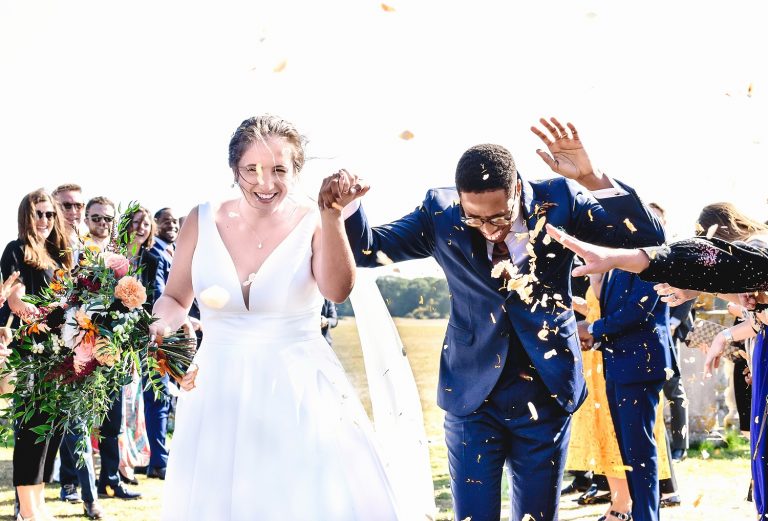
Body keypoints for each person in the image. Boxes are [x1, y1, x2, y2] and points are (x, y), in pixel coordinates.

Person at [325, 117, 666, 521]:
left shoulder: (560, 200)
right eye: (475, 219)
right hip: (472, 397)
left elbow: (647, 235)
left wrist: (591, 177)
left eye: (499, 218)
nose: (488, 230)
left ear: (519, 190)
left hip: (548, 390)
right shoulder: (439, 211)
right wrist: (348, 207)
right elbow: (369, 250)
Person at [152, 115, 418, 520]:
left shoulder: (313, 220)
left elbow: (337, 290)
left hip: (298, 388)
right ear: (233, 170)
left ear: (297, 171)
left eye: (279, 169)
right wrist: (163, 329)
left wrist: (332, 217)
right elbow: (174, 297)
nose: (266, 183)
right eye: (251, 170)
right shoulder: (200, 220)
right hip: (217, 389)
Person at [545, 224, 768, 517]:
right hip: (617, 361)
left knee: (641, 447)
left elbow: (699, 262)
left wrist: (616, 259)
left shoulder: (755, 259)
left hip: (641, 363)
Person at [0, 188, 74, 521]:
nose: (44, 220)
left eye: (49, 214)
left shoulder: (61, 254)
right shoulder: (16, 250)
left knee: (53, 430)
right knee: (32, 430)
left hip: (62, 354)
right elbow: (16, 298)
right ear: (26, 217)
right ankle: (28, 511)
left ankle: (40, 504)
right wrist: (45, 313)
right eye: (38, 214)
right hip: (31, 351)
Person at [578, 268, 674, 521]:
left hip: (641, 364)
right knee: (630, 453)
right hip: (617, 364)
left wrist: (594, 329)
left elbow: (638, 310)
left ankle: (646, 517)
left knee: (640, 452)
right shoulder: (613, 261)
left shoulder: (647, 253)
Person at [648, 202, 690, 463]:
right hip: (648, 330)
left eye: (657, 217)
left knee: (674, 388)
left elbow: (690, 289)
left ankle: (680, 445)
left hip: (672, 327)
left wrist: (675, 320)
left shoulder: (674, 248)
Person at [142, 207, 181, 480]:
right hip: (157, 334)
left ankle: (165, 456)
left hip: (178, 333)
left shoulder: (175, 251)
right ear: (156, 224)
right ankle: (159, 460)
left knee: (169, 398)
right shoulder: (153, 254)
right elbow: (157, 293)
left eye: (175, 221)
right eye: (166, 220)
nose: (172, 225)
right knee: (158, 397)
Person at [52, 183, 86, 247]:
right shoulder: (43, 245)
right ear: (53, 209)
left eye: (78, 205)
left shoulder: (91, 246)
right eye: (67, 205)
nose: (73, 211)